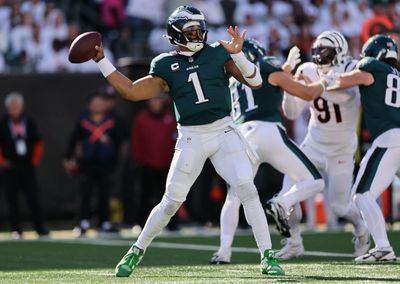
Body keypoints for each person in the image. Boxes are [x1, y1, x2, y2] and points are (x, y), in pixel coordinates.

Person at [90, 6, 328, 277]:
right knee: (170, 202)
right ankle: (136, 250)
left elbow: (255, 81)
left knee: (247, 190)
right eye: (190, 29)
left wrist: (238, 55)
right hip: (191, 137)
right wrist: (102, 60)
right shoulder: (165, 64)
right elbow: (131, 92)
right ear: (175, 33)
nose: (197, 33)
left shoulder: (217, 53)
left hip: (224, 131)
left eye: (198, 28)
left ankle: (267, 256)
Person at [210, 38, 326, 264]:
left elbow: (267, 83)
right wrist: (324, 82)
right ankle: (281, 202)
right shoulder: (266, 65)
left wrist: (287, 69)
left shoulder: (234, 81)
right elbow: (306, 93)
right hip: (269, 131)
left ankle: (224, 251)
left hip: (242, 136)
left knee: (234, 197)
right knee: (315, 181)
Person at [270, 30, 370, 259]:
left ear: (340, 52)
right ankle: (294, 242)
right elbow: (292, 112)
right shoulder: (307, 70)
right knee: (288, 194)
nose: (319, 57)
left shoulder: (352, 68)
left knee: (340, 207)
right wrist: (290, 88)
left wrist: (314, 87)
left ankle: (362, 229)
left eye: (326, 52)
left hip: (341, 150)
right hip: (313, 144)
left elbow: (343, 92)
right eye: (317, 51)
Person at [320, 34, 398, 263]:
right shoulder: (397, 75)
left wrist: (324, 78)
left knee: (362, 194)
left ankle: (383, 247)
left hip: (389, 139)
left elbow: (344, 81)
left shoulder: (371, 67)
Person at [64, 92, 125, 236]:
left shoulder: (112, 120)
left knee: (105, 194)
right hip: (87, 164)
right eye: (94, 103)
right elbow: (74, 139)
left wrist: (115, 161)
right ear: (89, 105)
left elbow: (119, 143)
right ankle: (83, 222)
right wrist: (68, 158)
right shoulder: (83, 120)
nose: (97, 106)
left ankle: (104, 222)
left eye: (100, 103)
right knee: (85, 193)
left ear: (105, 105)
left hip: (106, 164)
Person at [0, 92, 48, 238]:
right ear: (7, 109)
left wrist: (34, 161)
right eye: (12, 107)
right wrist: (2, 161)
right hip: (10, 168)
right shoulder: (2, 124)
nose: (15, 110)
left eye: (17, 106)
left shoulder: (29, 122)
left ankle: (40, 229)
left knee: (33, 198)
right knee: (12, 199)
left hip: (27, 166)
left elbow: (38, 143)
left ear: (22, 107)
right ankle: (16, 229)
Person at [131, 94, 178, 230]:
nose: (156, 102)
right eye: (153, 99)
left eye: (158, 99)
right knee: (143, 196)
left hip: (168, 165)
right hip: (147, 165)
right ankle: (140, 223)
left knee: (169, 196)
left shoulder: (170, 118)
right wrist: (140, 160)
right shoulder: (141, 118)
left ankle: (172, 225)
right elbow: (136, 141)